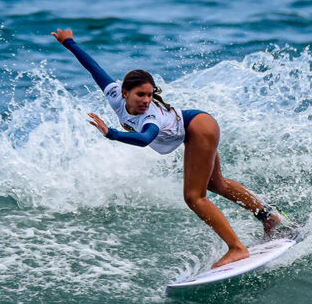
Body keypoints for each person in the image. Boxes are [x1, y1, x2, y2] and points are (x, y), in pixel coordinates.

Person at [52, 28, 288, 267]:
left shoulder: (150, 118)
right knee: (216, 183)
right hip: (197, 125)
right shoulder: (114, 94)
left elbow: (145, 139)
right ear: (124, 93)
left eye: (149, 95)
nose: (145, 101)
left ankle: (237, 248)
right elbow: (94, 68)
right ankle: (268, 216)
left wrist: (111, 133)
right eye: (140, 95)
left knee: (194, 197)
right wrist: (69, 42)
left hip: (198, 128)